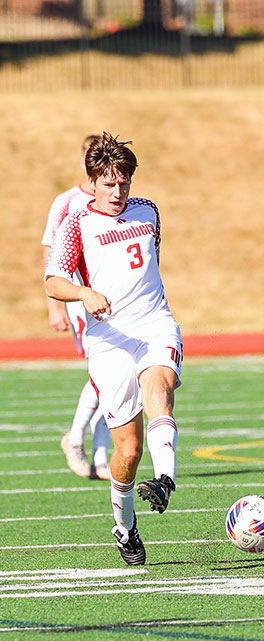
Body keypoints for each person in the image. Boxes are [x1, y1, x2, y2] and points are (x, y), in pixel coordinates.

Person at [44, 133, 183, 565]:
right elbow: (53, 280)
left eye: (124, 182)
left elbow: (150, 261)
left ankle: (164, 480)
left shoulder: (149, 211)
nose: (118, 192)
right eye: (109, 184)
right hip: (108, 339)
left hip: (154, 323)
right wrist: (84, 294)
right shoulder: (76, 223)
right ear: (91, 181)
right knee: (128, 450)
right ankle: (124, 527)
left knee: (159, 392)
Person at [42, 134, 111, 480]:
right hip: (82, 299)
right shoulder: (67, 201)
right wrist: (54, 307)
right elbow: (51, 255)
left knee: (118, 374)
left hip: (115, 299)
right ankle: (75, 436)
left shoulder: (115, 200)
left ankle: (100, 455)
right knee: (102, 373)